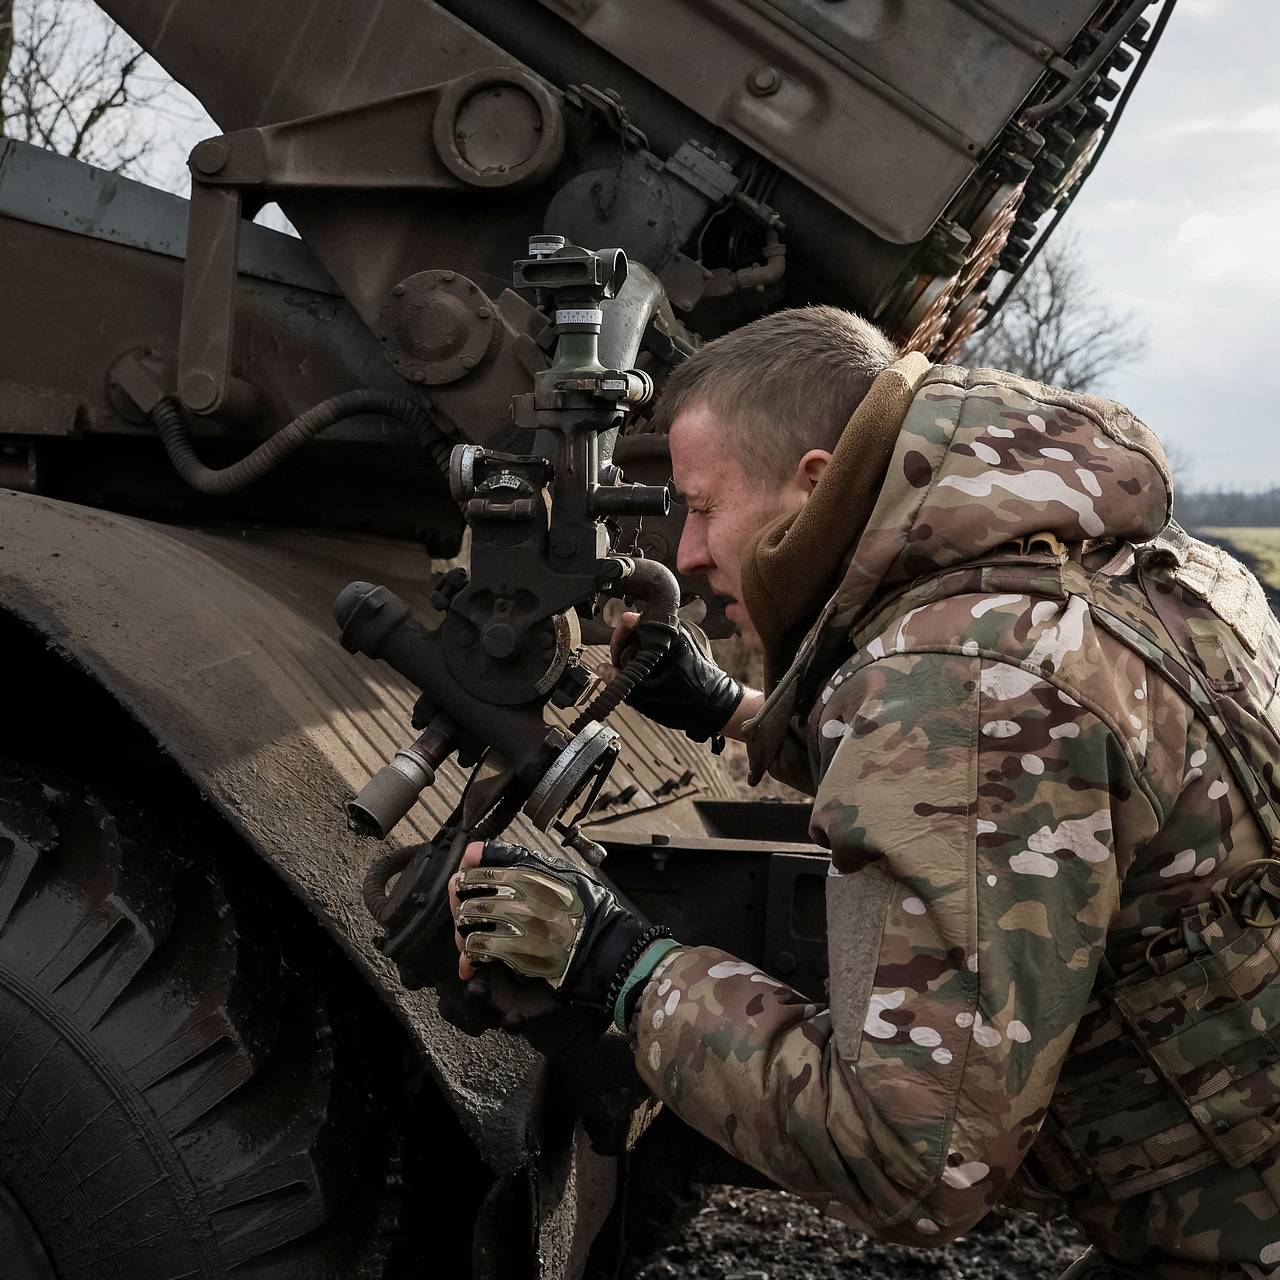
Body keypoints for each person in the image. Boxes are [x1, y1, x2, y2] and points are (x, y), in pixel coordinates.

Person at [449, 305, 1280, 1279]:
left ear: (810, 486)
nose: (683, 552)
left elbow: (908, 1160)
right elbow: (1046, 773)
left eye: (704, 505)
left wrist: (626, 970)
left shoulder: (959, 686)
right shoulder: (1131, 567)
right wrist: (740, 710)